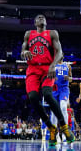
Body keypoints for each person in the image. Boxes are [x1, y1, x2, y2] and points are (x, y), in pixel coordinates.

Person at [21, 14, 75, 146]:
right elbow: (23, 49)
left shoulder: (52, 33)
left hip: (47, 69)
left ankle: (64, 127)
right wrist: (24, 53)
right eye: (38, 17)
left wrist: (52, 66)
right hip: (33, 69)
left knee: (47, 94)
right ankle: (51, 127)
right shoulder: (29, 34)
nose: (41, 18)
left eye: (43, 17)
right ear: (34, 23)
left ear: (46, 22)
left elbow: (60, 52)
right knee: (33, 97)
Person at [50, 57, 72, 143]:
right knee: (53, 112)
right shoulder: (53, 65)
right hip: (54, 89)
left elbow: (71, 79)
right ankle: (55, 134)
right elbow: (47, 76)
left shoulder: (68, 66)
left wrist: (68, 78)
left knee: (63, 107)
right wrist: (52, 78)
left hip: (64, 89)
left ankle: (64, 133)